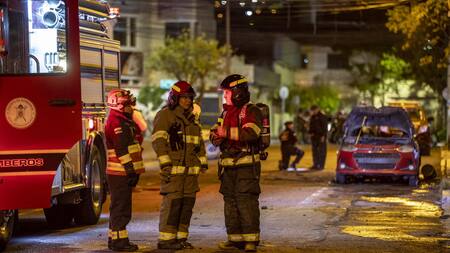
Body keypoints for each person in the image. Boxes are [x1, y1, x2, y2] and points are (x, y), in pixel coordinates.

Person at [152, 81, 208, 250]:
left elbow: (199, 143)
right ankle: (166, 240)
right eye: (183, 98)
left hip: (190, 173)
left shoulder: (192, 119)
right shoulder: (165, 115)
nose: (187, 101)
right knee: (173, 205)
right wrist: (165, 163)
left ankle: (181, 238)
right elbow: (158, 141)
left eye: (189, 98)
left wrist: (202, 162)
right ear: (174, 98)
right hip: (174, 170)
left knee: (186, 206)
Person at [210, 74, 263, 252]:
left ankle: (250, 241)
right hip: (227, 166)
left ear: (238, 93)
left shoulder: (252, 110)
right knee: (230, 202)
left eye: (227, 92)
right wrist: (215, 137)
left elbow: (251, 133)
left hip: (246, 166)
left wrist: (224, 133)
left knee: (245, 201)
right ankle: (234, 239)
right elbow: (214, 131)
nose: (224, 96)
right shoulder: (225, 112)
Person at [105, 89, 145, 252]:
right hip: (120, 172)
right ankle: (120, 242)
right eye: (128, 104)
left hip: (122, 172)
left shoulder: (123, 120)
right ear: (118, 105)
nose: (132, 107)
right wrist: (130, 170)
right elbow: (121, 149)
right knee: (121, 208)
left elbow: (140, 132)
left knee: (119, 206)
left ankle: (114, 238)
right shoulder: (116, 122)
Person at [308, 105, 328, 170]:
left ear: (317, 109)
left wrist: (323, 136)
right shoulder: (313, 117)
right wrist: (310, 133)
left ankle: (321, 166)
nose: (313, 112)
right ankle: (315, 165)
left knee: (322, 151)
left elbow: (325, 127)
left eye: (314, 110)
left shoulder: (322, 116)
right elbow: (311, 126)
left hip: (321, 136)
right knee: (315, 151)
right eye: (312, 110)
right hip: (314, 137)